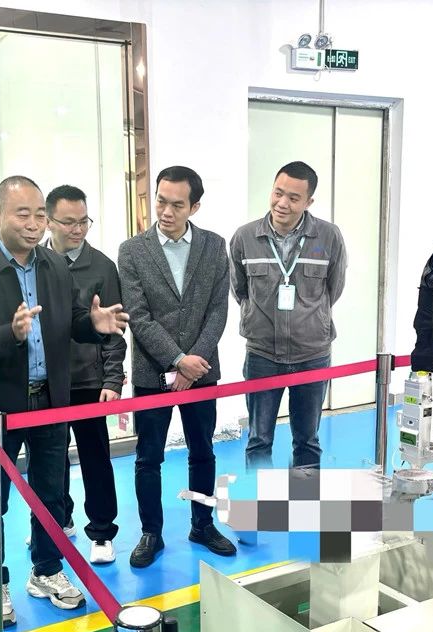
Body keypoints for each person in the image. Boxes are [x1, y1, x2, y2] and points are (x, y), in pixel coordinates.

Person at [0, 175, 128, 627]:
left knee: (50, 494)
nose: (33, 224)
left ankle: (46, 571)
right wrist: (8, 334)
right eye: (22, 214)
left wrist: (93, 324)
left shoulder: (54, 266)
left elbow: (70, 321)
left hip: (51, 400)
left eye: (39, 215)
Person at [117, 166, 236, 568]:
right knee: (148, 457)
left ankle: (202, 524)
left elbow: (218, 310)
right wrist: (177, 360)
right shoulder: (132, 251)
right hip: (152, 372)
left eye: (177, 205)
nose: (166, 212)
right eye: (161, 201)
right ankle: (151, 532)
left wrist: (191, 363)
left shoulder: (214, 246)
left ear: (194, 207)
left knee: (203, 452)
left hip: (201, 370)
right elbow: (138, 316)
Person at [229, 161, 347, 470]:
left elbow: (333, 289)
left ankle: (303, 497)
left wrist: (309, 317)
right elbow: (240, 290)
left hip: (312, 354)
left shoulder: (328, 236)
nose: (282, 203)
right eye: (278, 193)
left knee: (307, 440)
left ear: (309, 202)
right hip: (262, 355)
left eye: (294, 198)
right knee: (258, 440)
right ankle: (260, 497)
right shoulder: (244, 237)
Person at [44, 184, 125, 565]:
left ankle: (102, 531)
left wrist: (112, 379)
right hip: (46, 381)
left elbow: (115, 327)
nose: (77, 229)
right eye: (69, 222)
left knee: (95, 458)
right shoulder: (35, 264)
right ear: (49, 221)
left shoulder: (102, 267)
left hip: (89, 381)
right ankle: (60, 520)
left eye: (84, 221)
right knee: (50, 459)